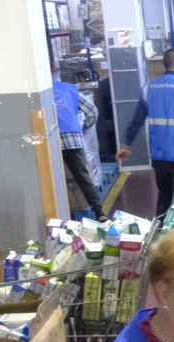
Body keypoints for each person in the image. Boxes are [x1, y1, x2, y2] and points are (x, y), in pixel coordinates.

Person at [115, 48, 174, 221]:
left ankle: (159, 233)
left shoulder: (148, 88)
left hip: (159, 154)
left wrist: (126, 144)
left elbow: (137, 120)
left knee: (164, 196)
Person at [51, 62, 108, 222]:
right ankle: (99, 212)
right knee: (82, 176)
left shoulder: (38, 93)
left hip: (50, 142)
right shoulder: (68, 88)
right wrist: (82, 127)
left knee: (53, 177)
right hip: (72, 137)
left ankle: (62, 213)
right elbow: (92, 111)